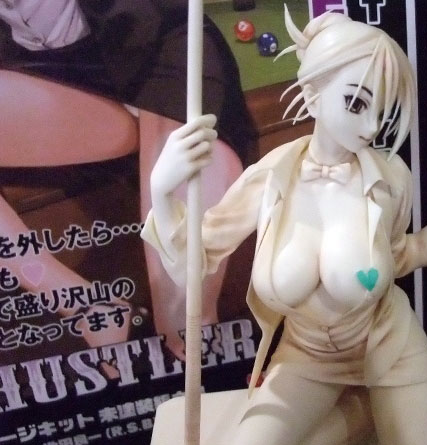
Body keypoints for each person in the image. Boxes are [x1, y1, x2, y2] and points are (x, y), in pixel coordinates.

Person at [142, 8, 427, 445]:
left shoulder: (391, 178)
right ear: (312, 95)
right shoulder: (270, 178)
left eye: (383, 112)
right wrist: (161, 191)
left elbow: (393, 255)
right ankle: (360, 411)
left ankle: (404, 388)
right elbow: (191, 266)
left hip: (390, 350)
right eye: (357, 103)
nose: (372, 126)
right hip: (306, 359)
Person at [0, 0, 256, 365]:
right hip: (43, 79)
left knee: (184, 328)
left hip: (160, 53)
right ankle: (90, 310)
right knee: (181, 328)